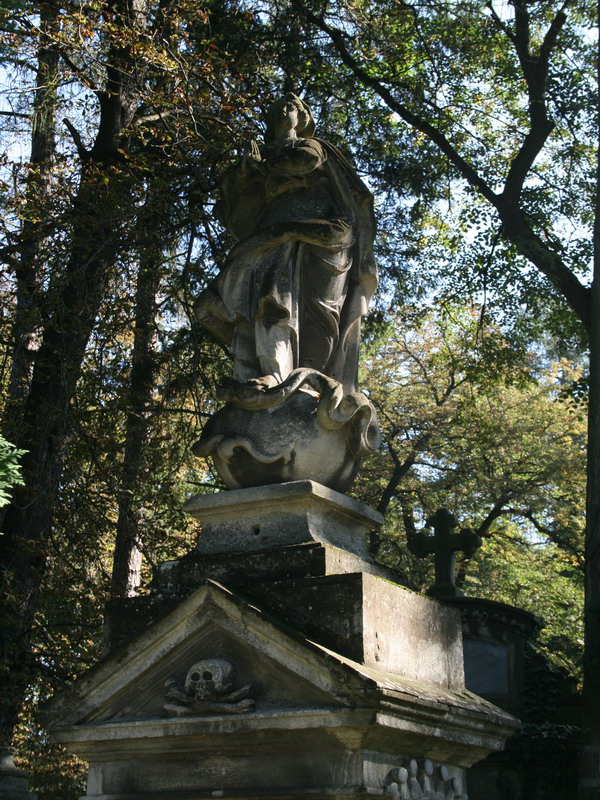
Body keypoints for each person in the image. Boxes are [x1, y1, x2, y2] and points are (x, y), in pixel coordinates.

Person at [196, 93, 377, 395]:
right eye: (278, 107)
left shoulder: (311, 146)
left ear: (302, 117)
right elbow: (236, 197)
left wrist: (263, 166)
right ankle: (272, 371)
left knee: (319, 315)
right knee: (269, 299)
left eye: (292, 107)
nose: (285, 110)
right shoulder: (260, 156)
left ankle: (310, 379)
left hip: (319, 230)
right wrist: (245, 171)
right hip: (271, 233)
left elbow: (305, 161)